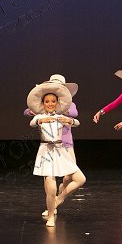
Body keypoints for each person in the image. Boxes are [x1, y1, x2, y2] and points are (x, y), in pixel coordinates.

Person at [24, 74, 84, 218]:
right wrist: (37, 112)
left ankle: (58, 199)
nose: (50, 103)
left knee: (69, 177)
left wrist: (63, 113)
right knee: (50, 181)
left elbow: (74, 114)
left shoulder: (68, 104)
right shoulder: (44, 109)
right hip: (48, 147)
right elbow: (27, 113)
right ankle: (52, 206)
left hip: (65, 145)